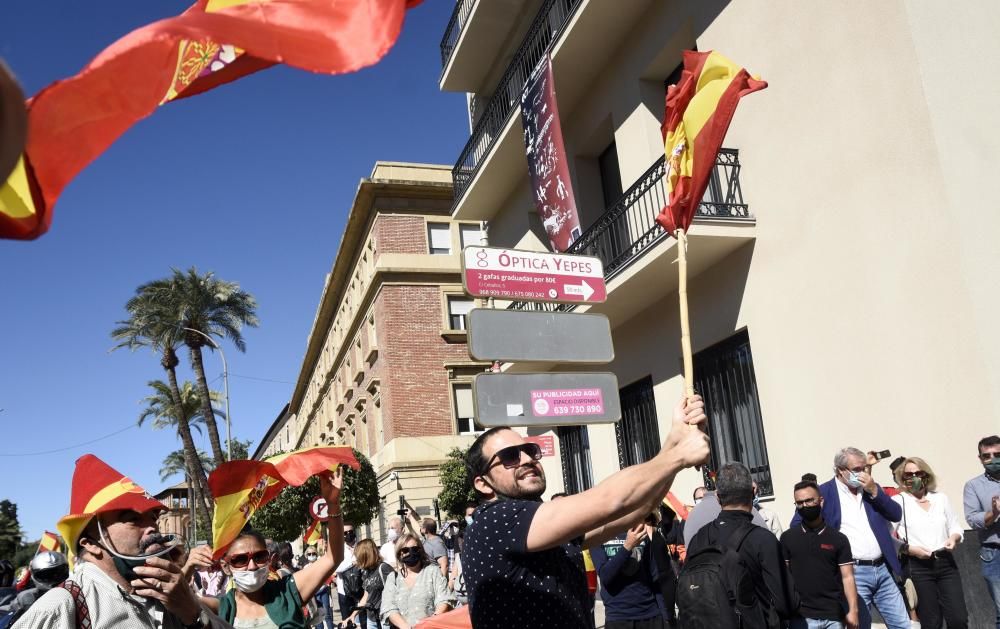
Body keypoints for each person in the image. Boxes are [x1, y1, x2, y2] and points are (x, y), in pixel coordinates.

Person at [462, 394, 710, 629]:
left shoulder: (537, 527)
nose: (527, 459)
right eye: (509, 456)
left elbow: (639, 508)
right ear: (482, 483)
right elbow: (610, 499)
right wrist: (678, 455)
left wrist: (675, 441)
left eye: (530, 450)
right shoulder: (495, 520)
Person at [12, 454, 230, 628]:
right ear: (90, 543)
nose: (153, 528)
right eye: (133, 520)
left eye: (153, 518)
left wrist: (193, 614)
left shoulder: (172, 592)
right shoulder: (61, 607)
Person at [205, 468, 344, 628]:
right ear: (226, 565)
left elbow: (333, 557)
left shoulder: (288, 592)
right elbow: (178, 603)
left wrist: (333, 504)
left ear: (269, 558)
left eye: (259, 557)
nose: (252, 566)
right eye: (240, 560)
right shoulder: (219, 608)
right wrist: (187, 568)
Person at [791, 447, 907, 629]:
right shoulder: (824, 493)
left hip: (883, 569)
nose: (862, 474)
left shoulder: (869, 490)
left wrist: (874, 491)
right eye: (856, 470)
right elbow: (797, 524)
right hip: (853, 572)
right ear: (840, 470)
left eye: (863, 468)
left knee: (902, 624)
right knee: (861, 625)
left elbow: (895, 513)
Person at [683, 462, 797, 628]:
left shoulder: (699, 537)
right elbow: (786, 603)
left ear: (717, 497)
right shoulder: (763, 539)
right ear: (752, 491)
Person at [891, 456, 967, 629]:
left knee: (958, 618)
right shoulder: (898, 501)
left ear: (927, 475)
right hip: (917, 566)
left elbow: (955, 526)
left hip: (945, 563)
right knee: (931, 622)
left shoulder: (940, 498)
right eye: (908, 475)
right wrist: (908, 549)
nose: (914, 477)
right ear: (902, 479)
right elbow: (888, 536)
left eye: (918, 473)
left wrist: (953, 538)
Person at [781, 479, 859, 629]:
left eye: (809, 500)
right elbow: (784, 578)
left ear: (821, 501)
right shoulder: (787, 538)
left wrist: (853, 611)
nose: (804, 506)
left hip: (833, 617)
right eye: (799, 503)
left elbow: (848, 577)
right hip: (801, 618)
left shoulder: (838, 539)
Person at [591, 514, 672, 629]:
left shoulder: (640, 533)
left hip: (651, 615)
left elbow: (654, 579)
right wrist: (627, 546)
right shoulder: (598, 537)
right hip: (619, 618)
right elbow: (605, 577)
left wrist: (665, 618)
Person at [964, 435, 1000, 628]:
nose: (993, 459)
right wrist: (993, 514)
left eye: (998, 454)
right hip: (993, 553)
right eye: (987, 456)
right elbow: (973, 519)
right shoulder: (974, 486)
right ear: (980, 459)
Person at [379, 533, 452, 629]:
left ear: (420, 550)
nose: (410, 553)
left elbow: (443, 599)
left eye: (414, 549)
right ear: (399, 554)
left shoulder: (433, 571)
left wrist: (431, 622)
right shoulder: (393, 578)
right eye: (405, 550)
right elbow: (388, 607)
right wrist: (404, 626)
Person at [345, 539, 394, 629]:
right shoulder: (366, 572)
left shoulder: (384, 568)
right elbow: (366, 596)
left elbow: (396, 592)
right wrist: (353, 615)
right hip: (371, 618)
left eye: (358, 557)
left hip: (385, 619)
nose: (357, 560)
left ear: (365, 555)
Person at [335, 524, 359, 622]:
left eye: (351, 532)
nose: (348, 534)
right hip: (343, 591)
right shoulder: (338, 549)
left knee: (361, 620)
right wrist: (352, 563)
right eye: (345, 533)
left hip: (360, 589)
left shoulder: (361, 546)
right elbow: (337, 567)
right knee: (346, 620)